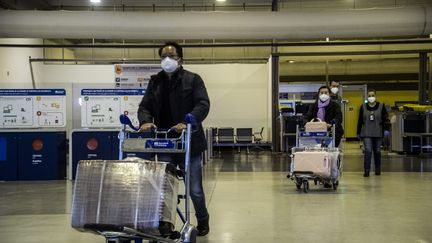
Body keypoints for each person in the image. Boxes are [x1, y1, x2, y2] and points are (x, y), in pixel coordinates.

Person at [137, 41, 210, 236]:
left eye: (172, 56)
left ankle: (203, 219)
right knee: (164, 187)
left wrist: (189, 122)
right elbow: (144, 106)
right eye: (163, 57)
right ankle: (165, 223)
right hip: (165, 143)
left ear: (180, 59)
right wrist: (145, 121)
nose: (167, 60)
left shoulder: (193, 80)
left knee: (194, 189)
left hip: (190, 143)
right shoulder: (155, 82)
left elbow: (203, 104)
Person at [357, 89, 389, 177]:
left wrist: (386, 126)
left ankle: (377, 169)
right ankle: (366, 171)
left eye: (373, 95)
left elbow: (386, 118)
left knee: (377, 151)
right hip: (366, 132)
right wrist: (358, 132)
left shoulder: (381, 106)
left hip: (378, 132)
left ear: (375, 96)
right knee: (368, 151)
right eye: (369, 96)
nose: (371, 97)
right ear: (367, 97)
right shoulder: (363, 106)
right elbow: (360, 120)